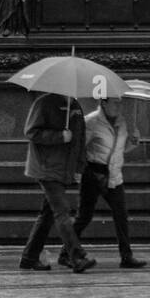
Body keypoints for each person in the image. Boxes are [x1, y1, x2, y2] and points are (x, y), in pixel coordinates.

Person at [59, 97, 147, 270]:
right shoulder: (91, 121)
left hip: (114, 175)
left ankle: (126, 256)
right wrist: (79, 170)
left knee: (121, 215)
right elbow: (78, 147)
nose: (118, 106)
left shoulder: (122, 123)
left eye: (120, 103)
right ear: (103, 103)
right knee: (84, 216)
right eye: (114, 102)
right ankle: (65, 254)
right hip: (93, 173)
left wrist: (133, 142)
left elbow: (120, 150)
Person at [19, 92, 95, 274]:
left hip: (63, 169)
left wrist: (79, 167)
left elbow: (80, 139)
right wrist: (59, 136)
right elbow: (31, 131)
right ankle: (76, 256)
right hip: (46, 168)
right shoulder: (44, 103)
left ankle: (29, 257)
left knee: (47, 215)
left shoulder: (75, 106)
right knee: (62, 211)